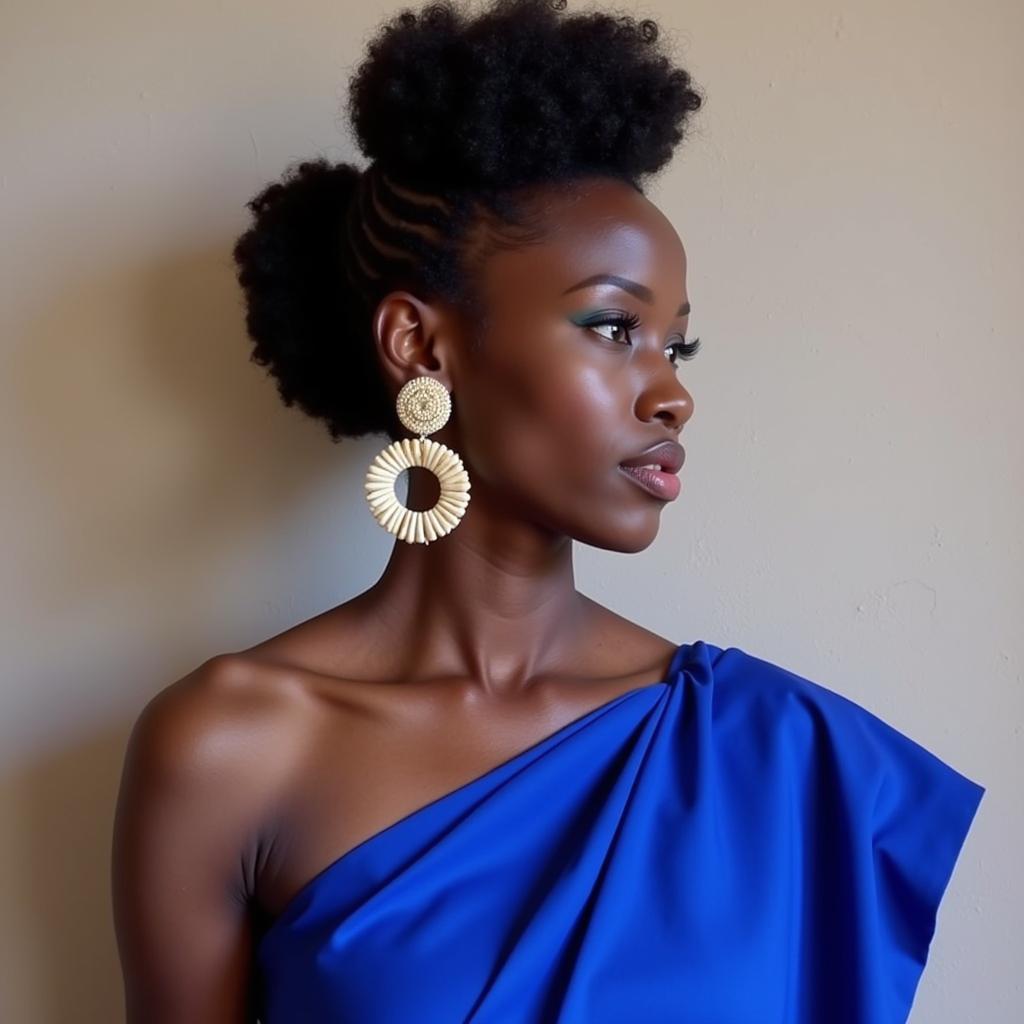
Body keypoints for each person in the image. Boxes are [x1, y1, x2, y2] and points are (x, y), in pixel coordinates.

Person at [110, 1, 984, 1021]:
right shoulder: (230, 747)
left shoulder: (778, 755)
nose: (671, 394)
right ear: (420, 347)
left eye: (676, 344)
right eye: (613, 326)